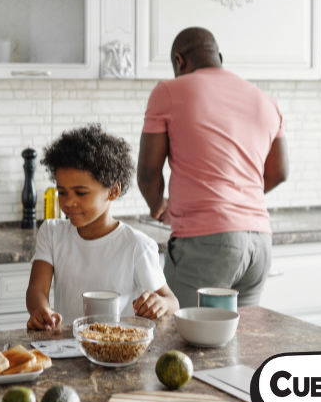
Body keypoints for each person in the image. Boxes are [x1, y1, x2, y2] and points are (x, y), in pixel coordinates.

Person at [137, 27, 289, 308]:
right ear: (218, 56)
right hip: (260, 243)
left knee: (180, 336)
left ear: (179, 61)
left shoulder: (168, 92)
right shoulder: (265, 101)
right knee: (242, 340)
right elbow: (279, 172)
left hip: (206, 241)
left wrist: (158, 206)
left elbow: (148, 172)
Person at [25, 125, 180, 330]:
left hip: (117, 349)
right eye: (62, 192)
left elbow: (172, 301)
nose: (68, 202)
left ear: (113, 191)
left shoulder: (136, 245)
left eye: (80, 193)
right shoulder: (52, 233)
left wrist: (160, 304)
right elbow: (37, 288)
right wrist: (41, 310)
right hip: (68, 346)